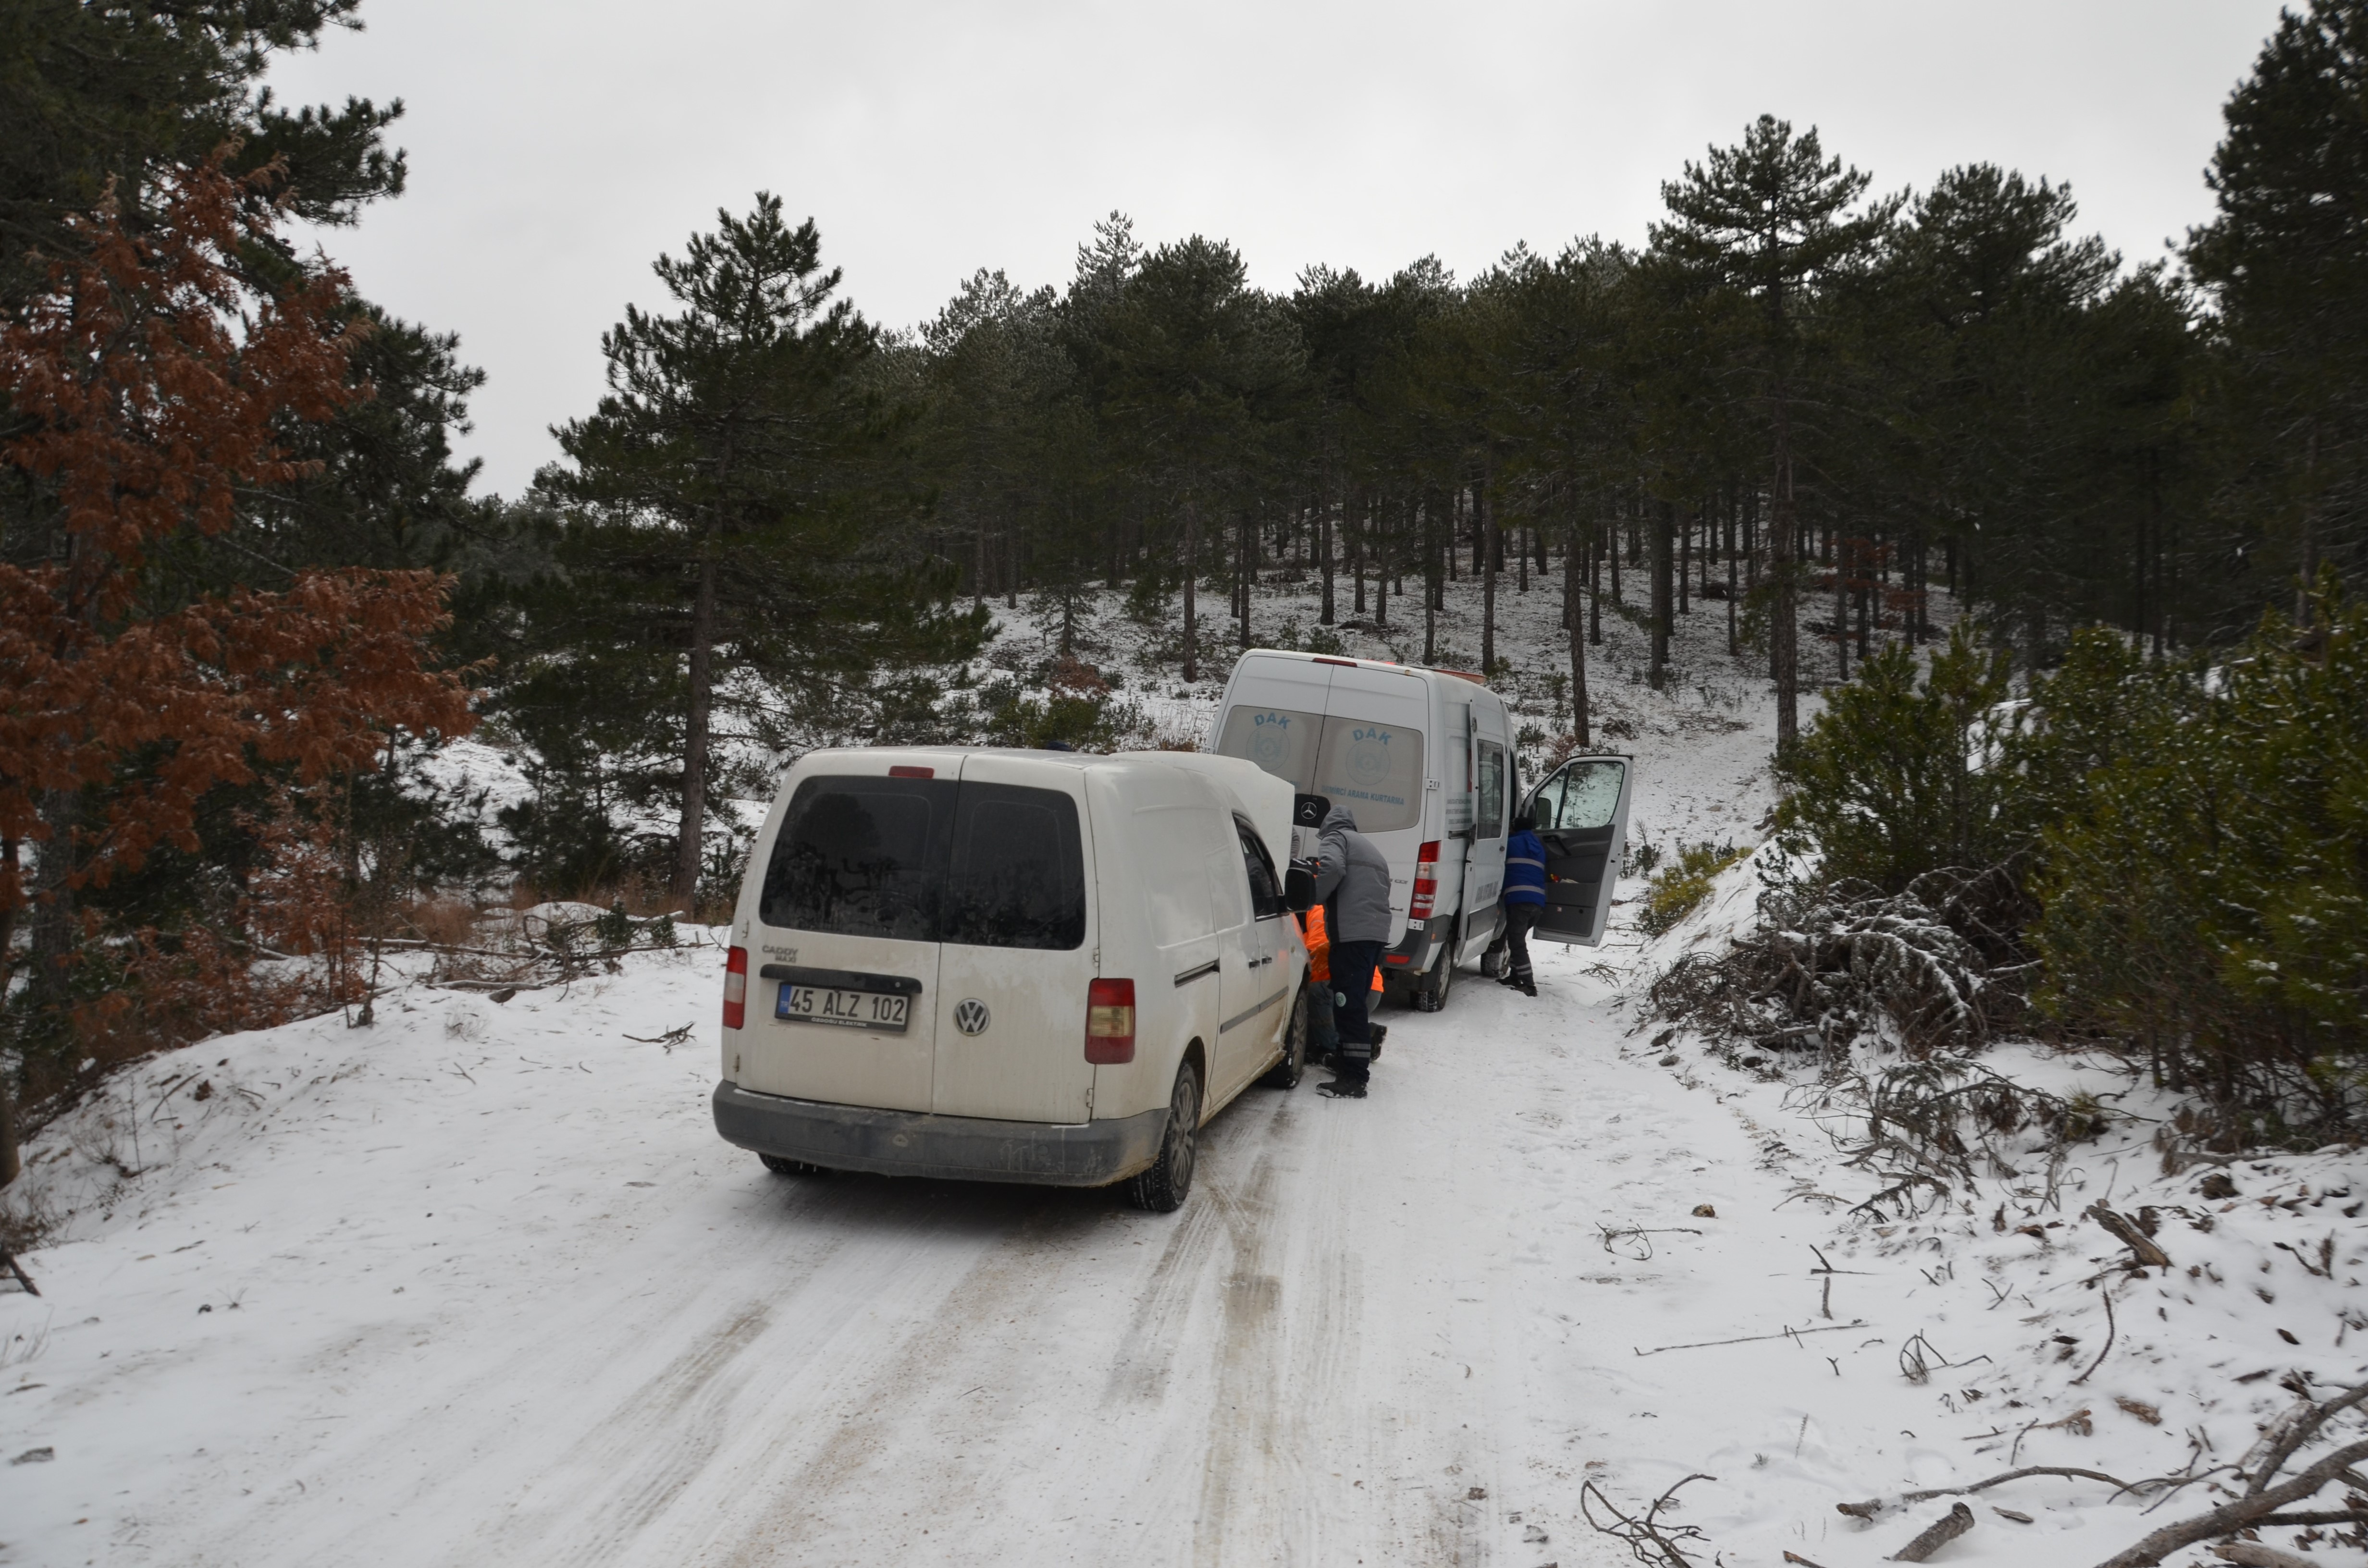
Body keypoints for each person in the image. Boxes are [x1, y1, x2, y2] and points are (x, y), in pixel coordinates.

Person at [1311, 801, 1393, 1098]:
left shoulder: (1337, 838)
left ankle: (1355, 1078)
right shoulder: (1371, 849)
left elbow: (1332, 868)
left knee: (1348, 1004)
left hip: (1352, 936)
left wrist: (1314, 896)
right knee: (1350, 1001)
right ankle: (1346, 1060)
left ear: (1327, 826)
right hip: (1374, 934)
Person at [1483, 806, 1546, 996]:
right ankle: (1514, 977)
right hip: (1537, 902)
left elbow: (1492, 854)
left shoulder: (1511, 843)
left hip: (1519, 901)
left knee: (1517, 944)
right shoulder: (1538, 846)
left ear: (1514, 828)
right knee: (1516, 940)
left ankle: (1529, 985)